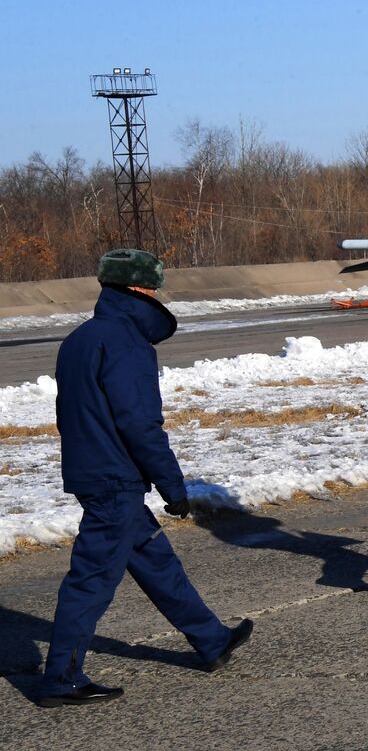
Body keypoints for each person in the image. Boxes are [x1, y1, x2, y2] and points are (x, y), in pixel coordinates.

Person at [41, 249, 252, 707]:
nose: (157, 295)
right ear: (138, 289)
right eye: (153, 287)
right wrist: (172, 485)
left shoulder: (79, 339)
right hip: (114, 479)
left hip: (93, 472)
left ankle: (211, 639)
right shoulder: (126, 342)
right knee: (91, 580)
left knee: (157, 564)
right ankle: (61, 677)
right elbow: (138, 422)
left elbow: (70, 414)